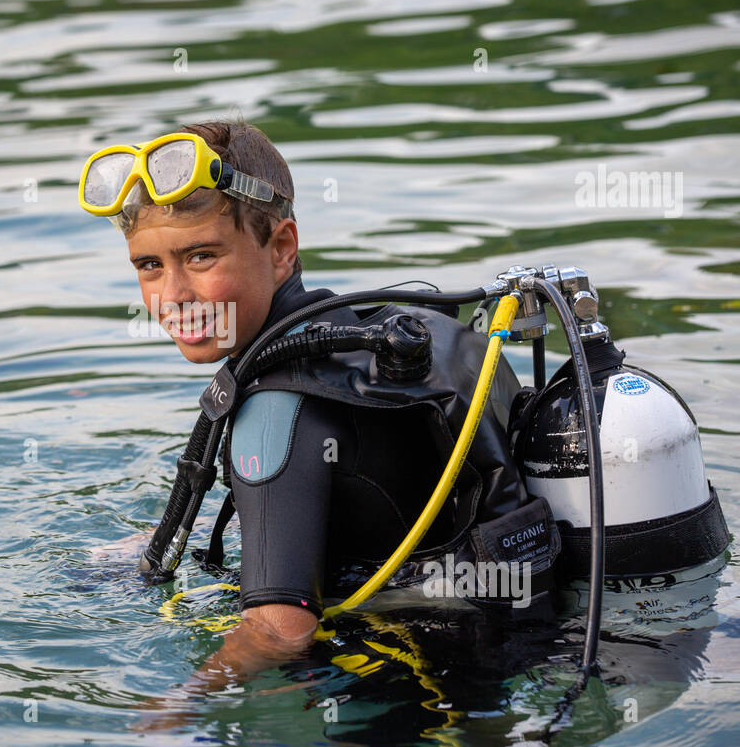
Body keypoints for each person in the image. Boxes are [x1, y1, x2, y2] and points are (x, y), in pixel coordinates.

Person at [78, 119, 518, 696]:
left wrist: (171, 714)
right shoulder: (380, 344)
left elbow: (279, 629)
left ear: (281, 248)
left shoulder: (275, 408)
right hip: (508, 653)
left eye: (202, 256)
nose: (173, 294)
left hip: (408, 697)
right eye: (149, 265)